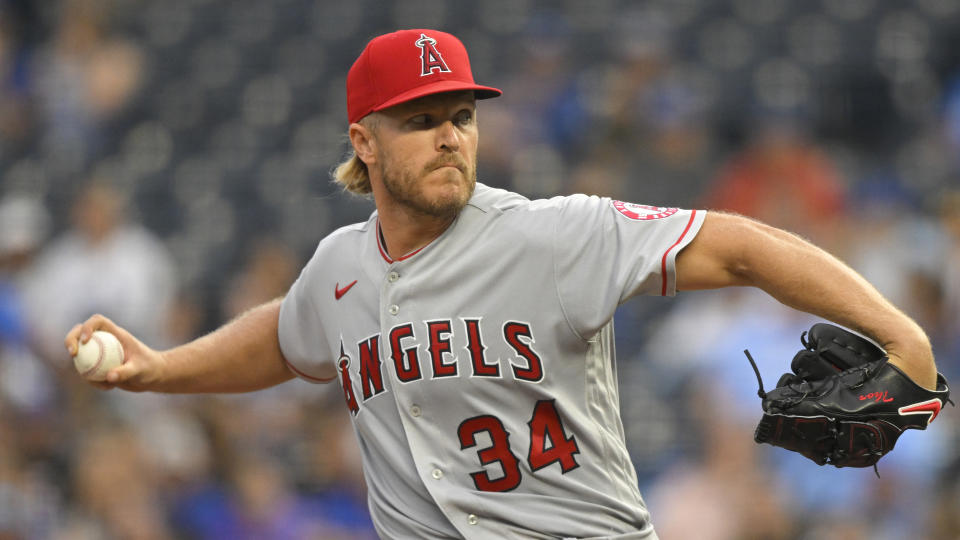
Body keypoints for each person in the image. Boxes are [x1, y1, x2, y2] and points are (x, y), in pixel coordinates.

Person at [65, 29, 939, 539]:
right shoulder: (338, 269)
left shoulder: (550, 233)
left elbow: (739, 244)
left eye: (461, 117)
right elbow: (289, 339)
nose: (450, 136)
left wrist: (898, 332)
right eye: (420, 121)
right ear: (363, 143)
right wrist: (159, 369)